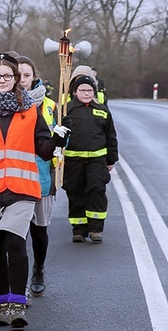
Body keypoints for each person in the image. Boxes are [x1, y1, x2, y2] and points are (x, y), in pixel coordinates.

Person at [0, 53, 67, 328]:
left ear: (16, 79)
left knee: (15, 242)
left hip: (21, 187)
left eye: (7, 76)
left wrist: (56, 139)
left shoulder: (30, 108)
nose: (2, 80)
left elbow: (42, 150)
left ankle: (18, 304)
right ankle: (2, 303)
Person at [16, 55, 57, 298]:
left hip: (41, 175)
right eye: (18, 75)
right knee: (16, 233)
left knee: (39, 230)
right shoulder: (6, 104)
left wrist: (62, 136)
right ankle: (19, 284)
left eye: (27, 75)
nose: (22, 80)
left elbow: (58, 141)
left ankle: (38, 269)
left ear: (34, 77)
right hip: (15, 176)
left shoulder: (50, 106)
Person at [63, 75, 118, 243]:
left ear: (94, 91)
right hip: (73, 161)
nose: (86, 93)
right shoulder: (67, 110)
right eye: (82, 90)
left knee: (96, 192)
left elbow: (111, 135)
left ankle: (95, 229)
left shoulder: (102, 110)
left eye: (89, 90)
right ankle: (79, 229)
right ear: (75, 92)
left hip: (97, 161)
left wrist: (111, 159)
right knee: (75, 193)